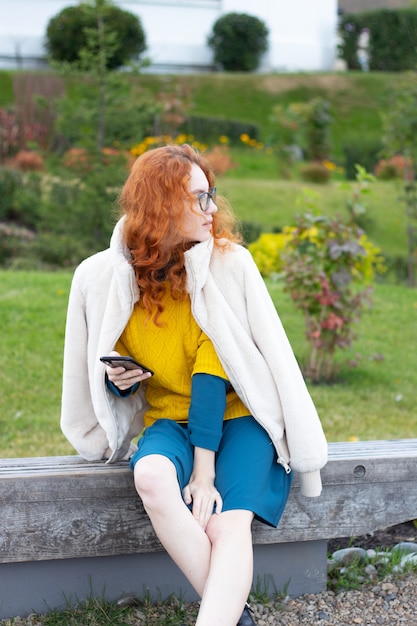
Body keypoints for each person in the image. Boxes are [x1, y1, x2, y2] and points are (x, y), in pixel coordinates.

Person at [61, 143, 328, 626]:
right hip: (170, 418)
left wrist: (204, 473)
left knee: (228, 522)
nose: (212, 209)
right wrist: (121, 382)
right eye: (198, 198)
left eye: (212, 195)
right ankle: (234, 617)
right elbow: (119, 374)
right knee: (152, 477)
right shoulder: (107, 278)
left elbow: (211, 376)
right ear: (162, 205)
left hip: (240, 417)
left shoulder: (225, 266)